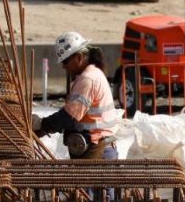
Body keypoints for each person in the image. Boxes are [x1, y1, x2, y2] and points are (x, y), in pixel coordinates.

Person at [33, 31, 120, 159]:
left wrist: (41, 124)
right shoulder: (91, 75)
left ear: (79, 57)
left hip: (97, 148)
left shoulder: (88, 79)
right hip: (97, 146)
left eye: (66, 61)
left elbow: (69, 117)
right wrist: (44, 128)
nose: (63, 66)